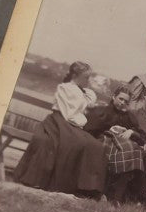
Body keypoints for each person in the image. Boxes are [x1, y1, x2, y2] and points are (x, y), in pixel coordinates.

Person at [11, 61, 105, 196]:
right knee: (76, 143)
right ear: (75, 76)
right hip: (59, 121)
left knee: (95, 146)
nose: (88, 80)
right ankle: (66, 184)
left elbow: (87, 103)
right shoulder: (65, 88)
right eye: (86, 77)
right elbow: (70, 113)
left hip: (71, 124)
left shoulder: (84, 92)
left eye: (89, 77)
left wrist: (89, 100)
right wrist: (85, 111)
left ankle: (87, 188)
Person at [84, 86, 145, 203]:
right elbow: (90, 129)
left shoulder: (129, 116)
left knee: (134, 149)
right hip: (104, 139)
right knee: (128, 150)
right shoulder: (103, 110)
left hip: (122, 145)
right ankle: (107, 194)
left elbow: (142, 136)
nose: (122, 103)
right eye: (120, 99)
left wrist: (131, 131)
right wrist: (109, 129)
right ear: (113, 97)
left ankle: (117, 196)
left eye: (126, 101)